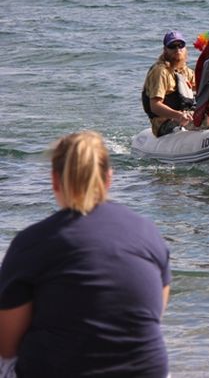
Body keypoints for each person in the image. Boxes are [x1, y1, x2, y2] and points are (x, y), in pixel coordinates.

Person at [0, 131, 171, 377]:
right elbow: (153, 314)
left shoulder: (31, 243)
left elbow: (7, 346)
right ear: (109, 178)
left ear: (55, 181)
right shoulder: (148, 233)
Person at [142, 30, 196, 136]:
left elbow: (202, 86)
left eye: (181, 46)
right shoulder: (160, 72)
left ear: (185, 49)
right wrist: (179, 115)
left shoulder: (185, 71)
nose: (177, 49)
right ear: (165, 50)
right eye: (172, 46)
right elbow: (155, 106)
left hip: (185, 115)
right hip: (164, 123)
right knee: (202, 123)